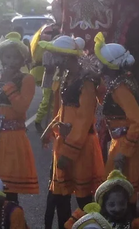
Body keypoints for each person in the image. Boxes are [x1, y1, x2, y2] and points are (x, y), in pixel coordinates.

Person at [39, 35, 104, 228]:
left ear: (67, 58)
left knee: (84, 199)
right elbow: (63, 110)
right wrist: (50, 130)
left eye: (57, 56)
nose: (55, 61)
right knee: (61, 197)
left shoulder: (86, 82)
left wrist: (69, 152)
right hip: (64, 144)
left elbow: (84, 120)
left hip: (80, 148)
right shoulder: (68, 77)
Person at [0, 32, 39, 202]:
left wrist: (9, 84)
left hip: (12, 141)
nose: (11, 61)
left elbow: (21, 108)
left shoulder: (27, 80)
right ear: (1, 58)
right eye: (7, 57)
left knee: (9, 192)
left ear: (22, 60)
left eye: (16, 58)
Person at [94, 33, 139, 197]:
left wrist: (125, 150)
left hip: (126, 147)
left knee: (124, 198)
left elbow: (138, 121)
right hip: (121, 143)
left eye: (102, 62)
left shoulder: (120, 88)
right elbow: (110, 104)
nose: (99, 65)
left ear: (110, 66)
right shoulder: (121, 81)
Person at [64, 170, 139, 229]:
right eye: (111, 204)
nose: (117, 208)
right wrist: (87, 213)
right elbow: (69, 225)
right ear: (103, 205)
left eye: (122, 203)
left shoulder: (133, 224)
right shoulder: (95, 222)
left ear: (127, 203)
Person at [30, 24, 61, 133]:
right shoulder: (45, 50)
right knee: (46, 101)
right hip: (47, 79)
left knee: (53, 102)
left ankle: (52, 123)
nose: (50, 35)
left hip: (54, 79)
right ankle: (38, 121)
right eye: (47, 33)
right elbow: (47, 67)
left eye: (51, 33)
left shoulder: (53, 49)